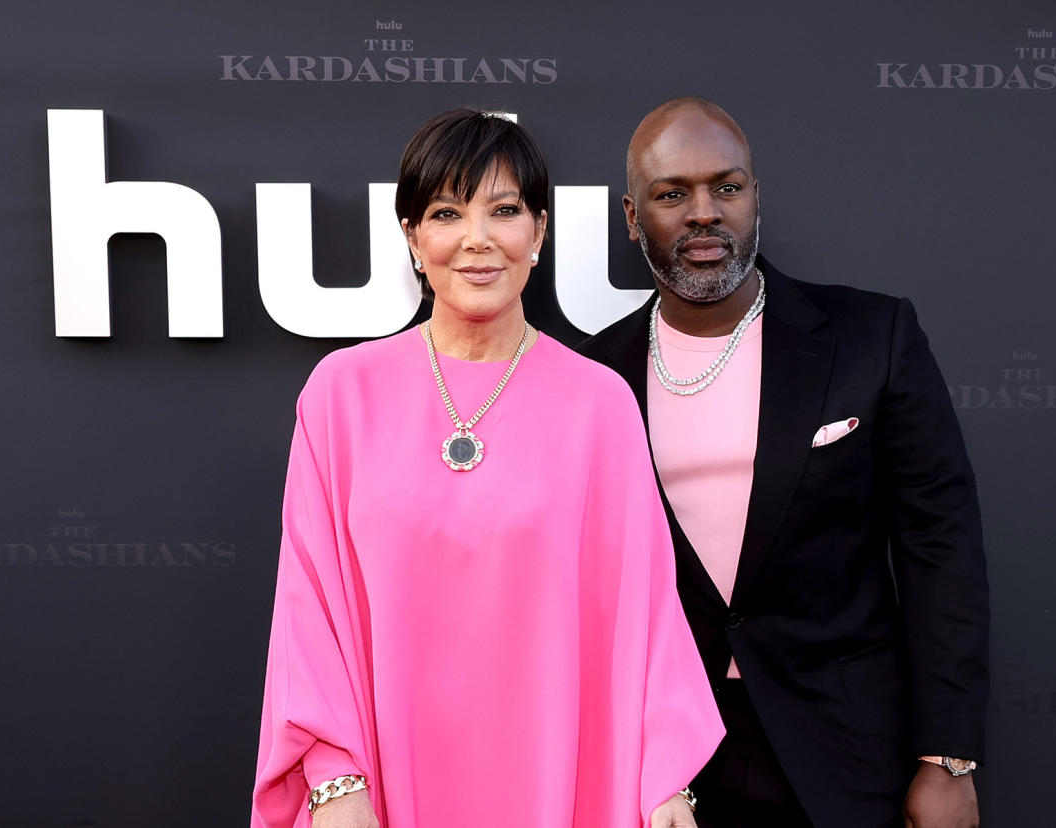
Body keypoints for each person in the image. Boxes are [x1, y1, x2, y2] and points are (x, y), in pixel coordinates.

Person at [251, 109, 723, 828]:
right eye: (446, 212)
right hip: (380, 783)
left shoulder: (599, 404)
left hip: (560, 779)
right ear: (412, 238)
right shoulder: (342, 395)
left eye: (504, 210)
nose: (477, 239)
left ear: (538, 232)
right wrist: (334, 781)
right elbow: (308, 609)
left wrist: (667, 785)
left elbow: (646, 612)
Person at [579, 98, 990, 828]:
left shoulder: (872, 336)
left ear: (756, 197)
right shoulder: (593, 376)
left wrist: (947, 756)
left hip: (845, 747)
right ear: (634, 217)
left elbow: (940, 548)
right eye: (673, 194)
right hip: (666, 757)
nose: (704, 212)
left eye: (726, 187)